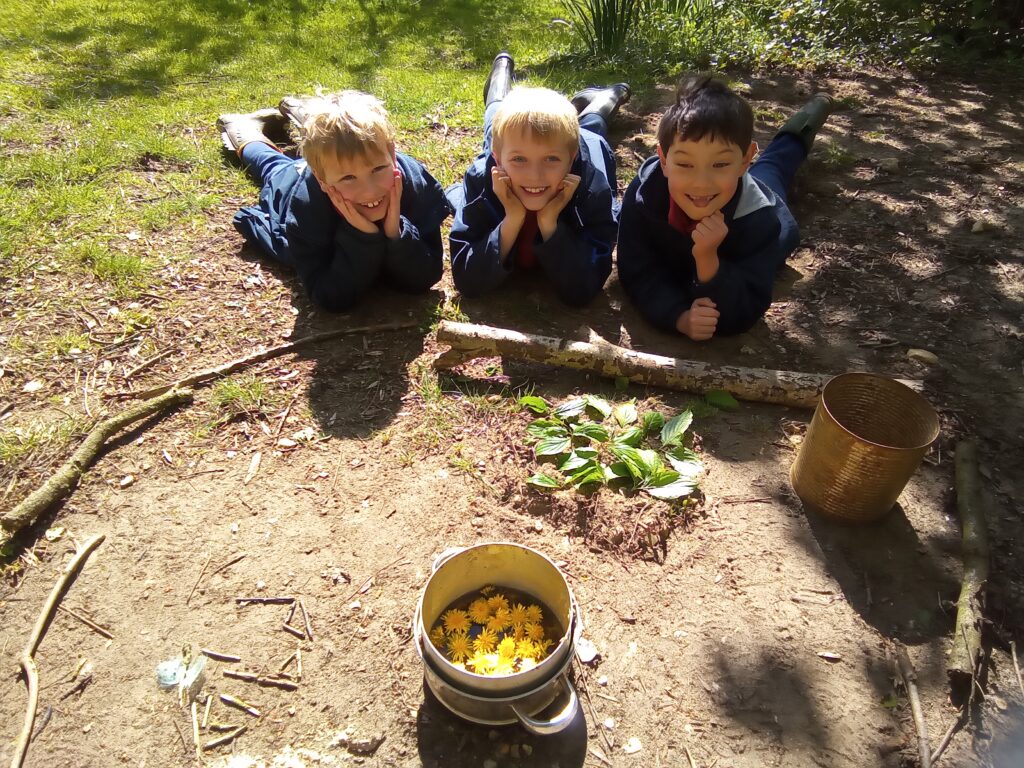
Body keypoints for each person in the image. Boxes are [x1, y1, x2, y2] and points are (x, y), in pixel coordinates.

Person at [617, 75, 834, 340]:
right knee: (768, 168)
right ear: (663, 160)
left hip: (758, 204)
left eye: (719, 164)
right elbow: (636, 270)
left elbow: (746, 309)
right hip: (728, 188)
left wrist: (709, 260)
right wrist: (677, 316)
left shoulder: (760, 218)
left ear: (744, 161)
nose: (701, 183)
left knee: (774, 169)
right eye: (685, 164)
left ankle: (803, 125)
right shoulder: (644, 192)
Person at [217, 91, 451, 312]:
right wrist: (364, 238)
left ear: (391, 153)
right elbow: (329, 297)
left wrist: (396, 232)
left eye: (378, 168)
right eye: (349, 178)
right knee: (273, 167)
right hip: (291, 179)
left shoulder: (416, 182)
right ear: (321, 179)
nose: (369, 191)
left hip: (330, 164)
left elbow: (425, 278)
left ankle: (299, 110)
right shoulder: (305, 207)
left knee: (335, 144)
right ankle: (243, 130)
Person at [447, 52, 630, 306]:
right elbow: (467, 279)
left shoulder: (592, 186)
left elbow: (585, 285)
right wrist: (512, 220)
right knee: (494, 121)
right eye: (519, 160)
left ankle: (608, 97)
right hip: (515, 143)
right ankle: (500, 76)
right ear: (497, 158)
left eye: (552, 160)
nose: (535, 175)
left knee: (591, 129)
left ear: (571, 158)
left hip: (585, 141)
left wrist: (549, 222)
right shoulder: (483, 174)